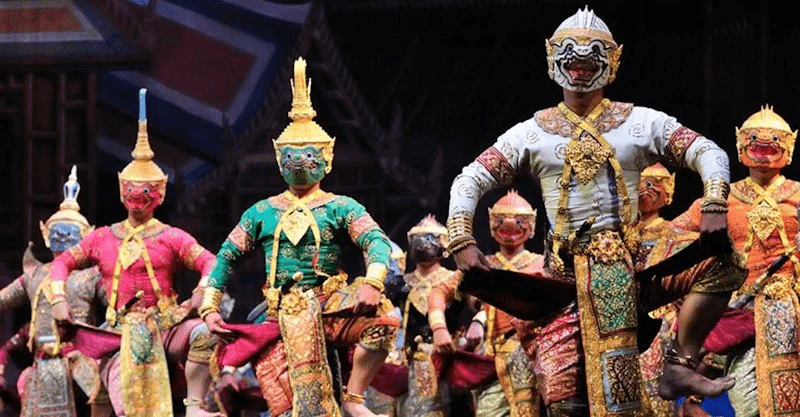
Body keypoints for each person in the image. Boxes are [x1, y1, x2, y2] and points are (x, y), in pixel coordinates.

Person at [444, 7, 746, 416]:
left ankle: (680, 362)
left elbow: (706, 151)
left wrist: (713, 200)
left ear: (611, 63)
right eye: (572, 61)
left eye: (590, 61)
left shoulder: (640, 123)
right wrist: (462, 235)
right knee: (564, 400)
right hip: (563, 281)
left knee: (723, 260)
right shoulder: (531, 133)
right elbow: (469, 180)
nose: (581, 69)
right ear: (554, 62)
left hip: (632, 270)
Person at [199, 57, 399, 417]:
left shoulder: (341, 207)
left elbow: (377, 242)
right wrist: (210, 305)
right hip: (280, 314)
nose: (299, 162)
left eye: (308, 155)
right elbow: (227, 256)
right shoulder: (261, 212)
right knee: (295, 405)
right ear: (279, 159)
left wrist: (373, 282)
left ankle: (354, 399)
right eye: (290, 155)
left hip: (329, 305)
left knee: (384, 321)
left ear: (327, 158)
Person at [50, 90, 219, 417]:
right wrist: (58, 300)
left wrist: (202, 293)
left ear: (160, 194)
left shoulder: (171, 237)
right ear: (121, 191)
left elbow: (211, 261)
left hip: (167, 324)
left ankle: (198, 406)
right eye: (132, 192)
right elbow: (62, 262)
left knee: (205, 333)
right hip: (119, 331)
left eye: (146, 193)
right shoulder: (102, 238)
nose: (138, 199)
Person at [671, 106, 800, 417]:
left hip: (791, 308)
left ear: (788, 149)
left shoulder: (798, 195)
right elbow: (673, 237)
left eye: (773, 146)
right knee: (747, 400)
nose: (764, 152)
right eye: (756, 144)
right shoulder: (720, 202)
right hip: (736, 312)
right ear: (742, 147)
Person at [0, 166, 110, 417]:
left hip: (82, 364)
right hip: (45, 364)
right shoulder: (36, 275)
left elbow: (118, 305)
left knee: (100, 396)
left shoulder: (91, 276)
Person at [433, 190, 542, 417]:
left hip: (531, 355)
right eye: (501, 220)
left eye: (519, 221)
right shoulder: (482, 266)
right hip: (489, 358)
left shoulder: (541, 265)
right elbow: (439, 291)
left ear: (530, 225)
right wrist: (439, 329)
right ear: (492, 225)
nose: (510, 226)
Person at [394, 215, 462, 416]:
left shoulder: (455, 280)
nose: (423, 244)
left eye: (430, 238)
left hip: (450, 357)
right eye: (419, 238)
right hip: (409, 359)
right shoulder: (400, 284)